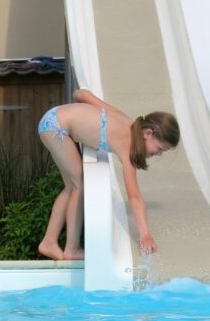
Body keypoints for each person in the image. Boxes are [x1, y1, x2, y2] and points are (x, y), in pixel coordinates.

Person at [36, 87, 180, 260]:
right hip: (56, 128)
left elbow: (84, 95)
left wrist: (79, 102)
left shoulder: (128, 121)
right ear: (148, 133)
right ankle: (71, 248)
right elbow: (134, 196)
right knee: (78, 184)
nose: (158, 154)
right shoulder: (128, 148)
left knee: (70, 187)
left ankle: (49, 242)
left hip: (52, 119)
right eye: (160, 149)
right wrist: (145, 235)